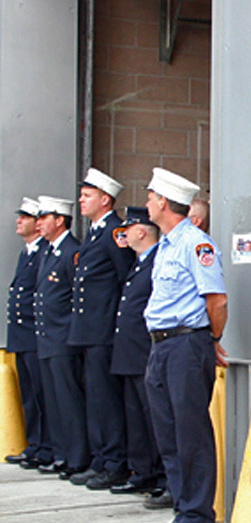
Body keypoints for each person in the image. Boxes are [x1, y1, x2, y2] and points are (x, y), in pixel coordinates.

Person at [143, 167, 228, 523]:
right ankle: (183, 509)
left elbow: (217, 299)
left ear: (163, 202)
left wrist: (211, 339)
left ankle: (197, 516)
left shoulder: (196, 244)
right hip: (161, 346)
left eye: (149, 197)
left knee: (190, 432)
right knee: (169, 433)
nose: (146, 202)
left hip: (186, 344)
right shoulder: (164, 246)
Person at [67, 168, 135, 490]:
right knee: (95, 398)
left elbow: (126, 280)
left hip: (104, 331)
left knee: (106, 400)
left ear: (105, 199)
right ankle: (101, 458)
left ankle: (114, 461)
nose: (81, 200)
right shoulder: (95, 233)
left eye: (87, 195)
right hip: (89, 331)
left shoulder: (114, 232)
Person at [109, 207, 166, 499]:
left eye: (128, 229)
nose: (124, 234)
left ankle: (158, 473)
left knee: (151, 416)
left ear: (142, 231)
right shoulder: (140, 262)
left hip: (145, 351)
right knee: (135, 417)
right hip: (130, 352)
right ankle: (142, 471)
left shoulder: (157, 260)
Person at [32, 196, 86, 479]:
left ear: (60, 220)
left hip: (63, 338)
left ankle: (75, 456)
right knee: (54, 400)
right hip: (48, 338)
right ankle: (61, 452)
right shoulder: (49, 251)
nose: (39, 222)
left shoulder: (71, 252)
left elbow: (76, 298)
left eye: (44, 217)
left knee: (68, 400)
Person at [4, 198, 49, 468]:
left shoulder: (43, 252)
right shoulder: (28, 253)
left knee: (43, 396)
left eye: (26, 217)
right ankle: (35, 444)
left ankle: (46, 445)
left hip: (35, 334)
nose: (19, 221)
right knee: (29, 395)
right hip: (22, 335)